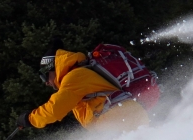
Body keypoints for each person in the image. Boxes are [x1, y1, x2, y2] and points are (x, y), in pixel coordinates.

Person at [16, 41, 149, 132]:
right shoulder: (79, 76)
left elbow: (54, 109)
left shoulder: (74, 78)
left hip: (119, 118)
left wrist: (29, 118)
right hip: (125, 115)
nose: (46, 82)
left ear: (52, 69)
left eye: (45, 76)